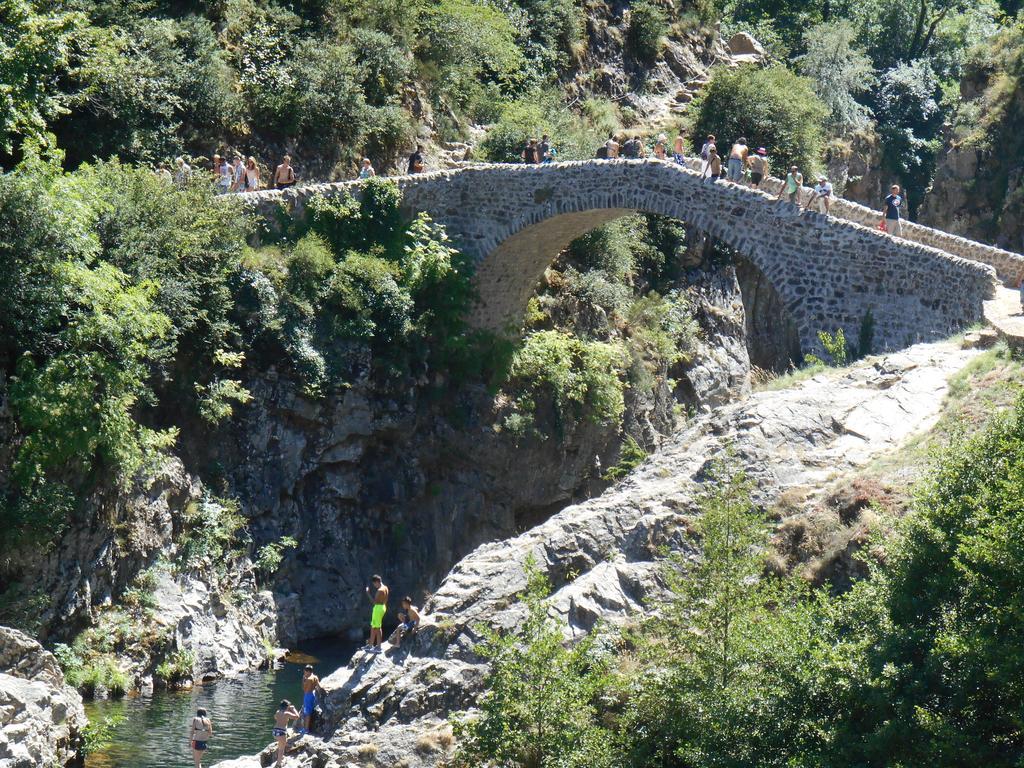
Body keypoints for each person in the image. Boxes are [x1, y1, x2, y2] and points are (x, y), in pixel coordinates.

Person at [363, 574, 389, 653]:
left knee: (377, 628)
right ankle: (370, 645)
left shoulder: (380, 590)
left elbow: (374, 602)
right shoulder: (386, 587)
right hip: (383, 607)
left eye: (374, 584)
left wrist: (368, 593)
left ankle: (378, 647)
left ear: (377, 582)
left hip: (378, 608)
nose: (374, 585)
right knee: (374, 627)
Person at [273, 699, 300, 768]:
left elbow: (275, 718)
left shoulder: (278, 712)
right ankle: (278, 764)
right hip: (281, 732)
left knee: (280, 744)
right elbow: (297, 716)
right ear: (287, 706)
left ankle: (280, 758)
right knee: (282, 748)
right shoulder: (287, 713)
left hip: (275, 731)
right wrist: (293, 709)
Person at [299, 665, 320, 735]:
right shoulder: (315, 677)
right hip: (313, 694)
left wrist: (303, 680)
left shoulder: (308, 679)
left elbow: (303, 688)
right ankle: (306, 728)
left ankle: (306, 729)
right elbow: (318, 687)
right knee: (308, 712)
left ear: (307, 671)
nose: (304, 673)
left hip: (308, 695)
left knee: (307, 713)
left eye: (304, 671)